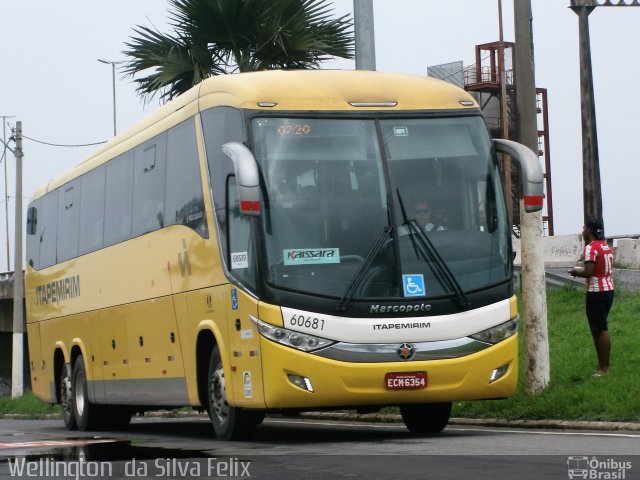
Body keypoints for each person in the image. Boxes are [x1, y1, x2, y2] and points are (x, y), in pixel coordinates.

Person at [568, 218, 614, 377]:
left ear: (589, 230)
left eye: (584, 227)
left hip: (596, 292)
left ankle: (604, 368)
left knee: (600, 329)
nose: (582, 230)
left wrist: (575, 271)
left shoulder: (590, 248)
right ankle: (602, 365)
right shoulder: (605, 246)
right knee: (599, 327)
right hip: (608, 290)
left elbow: (588, 272)